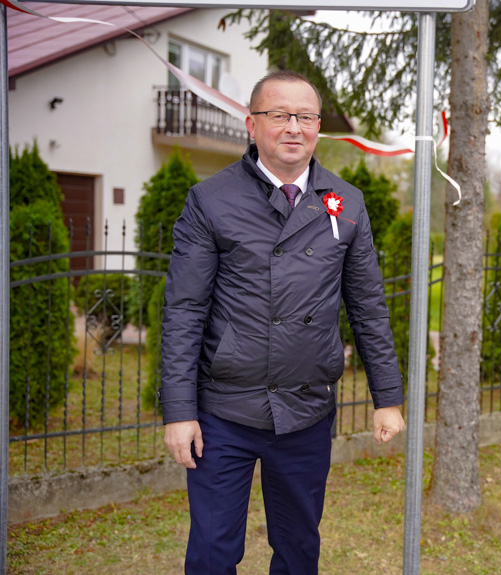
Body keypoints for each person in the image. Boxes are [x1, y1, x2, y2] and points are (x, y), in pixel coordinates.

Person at [159, 70, 405, 575]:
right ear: (252, 125)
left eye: (306, 116)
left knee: (298, 552)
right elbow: (184, 310)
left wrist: (388, 398)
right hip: (222, 413)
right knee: (212, 552)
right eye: (279, 115)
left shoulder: (346, 202)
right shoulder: (210, 200)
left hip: (305, 412)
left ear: (318, 127)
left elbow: (368, 306)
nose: (294, 127)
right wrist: (179, 411)